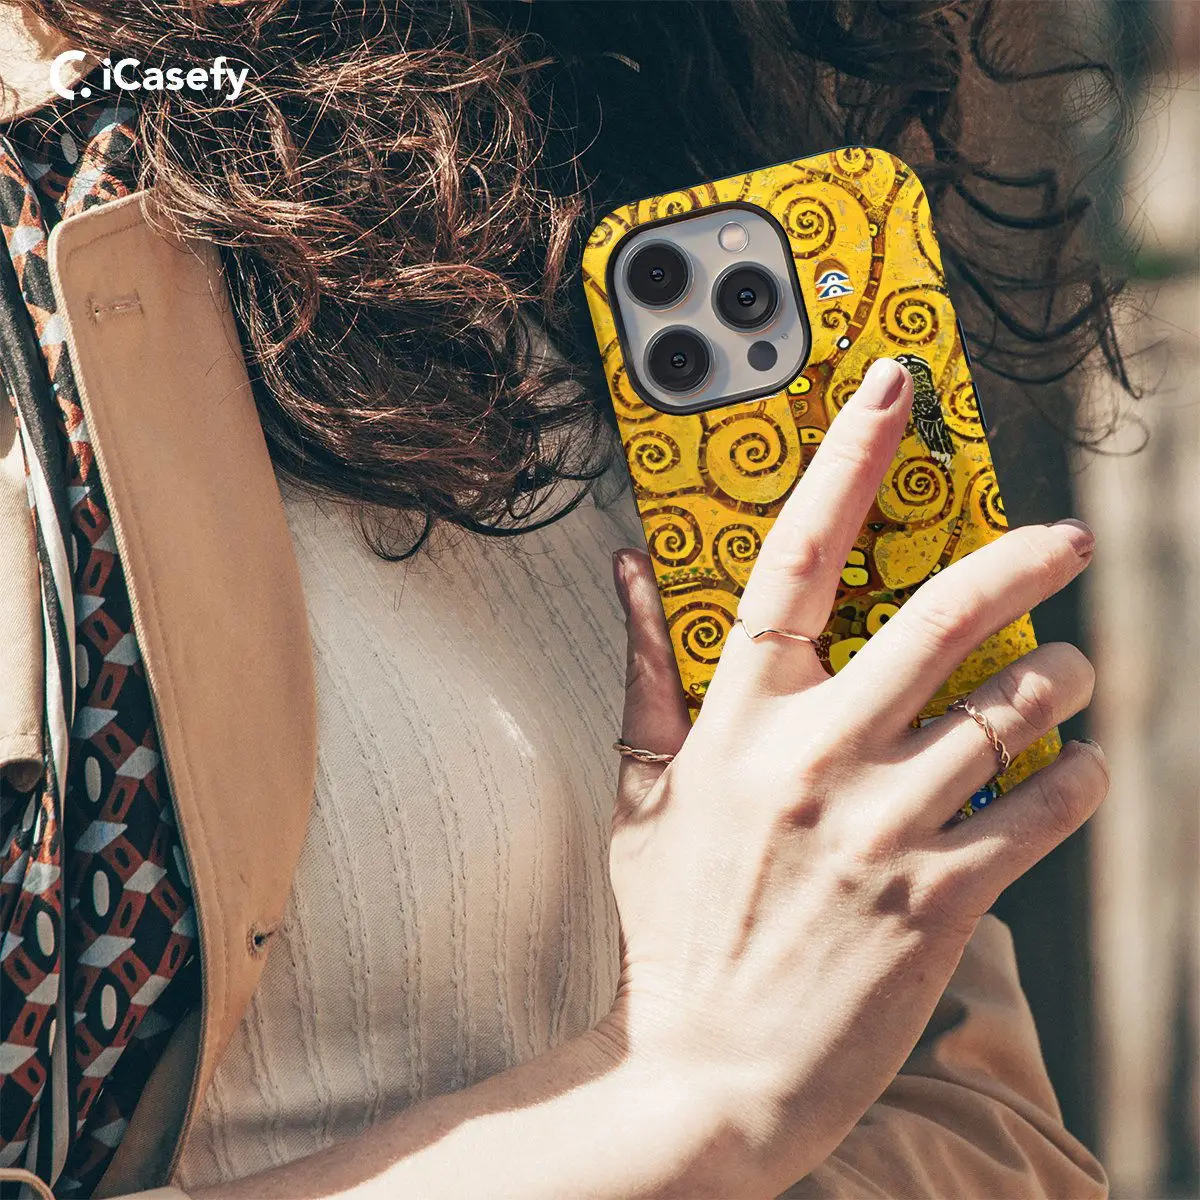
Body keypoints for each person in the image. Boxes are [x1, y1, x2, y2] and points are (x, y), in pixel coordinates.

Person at [0, 2, 1124, 1196]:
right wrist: (685, 1090)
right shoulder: (46, 260)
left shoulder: (613, 175)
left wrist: (737, 1091)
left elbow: (991, 1138)